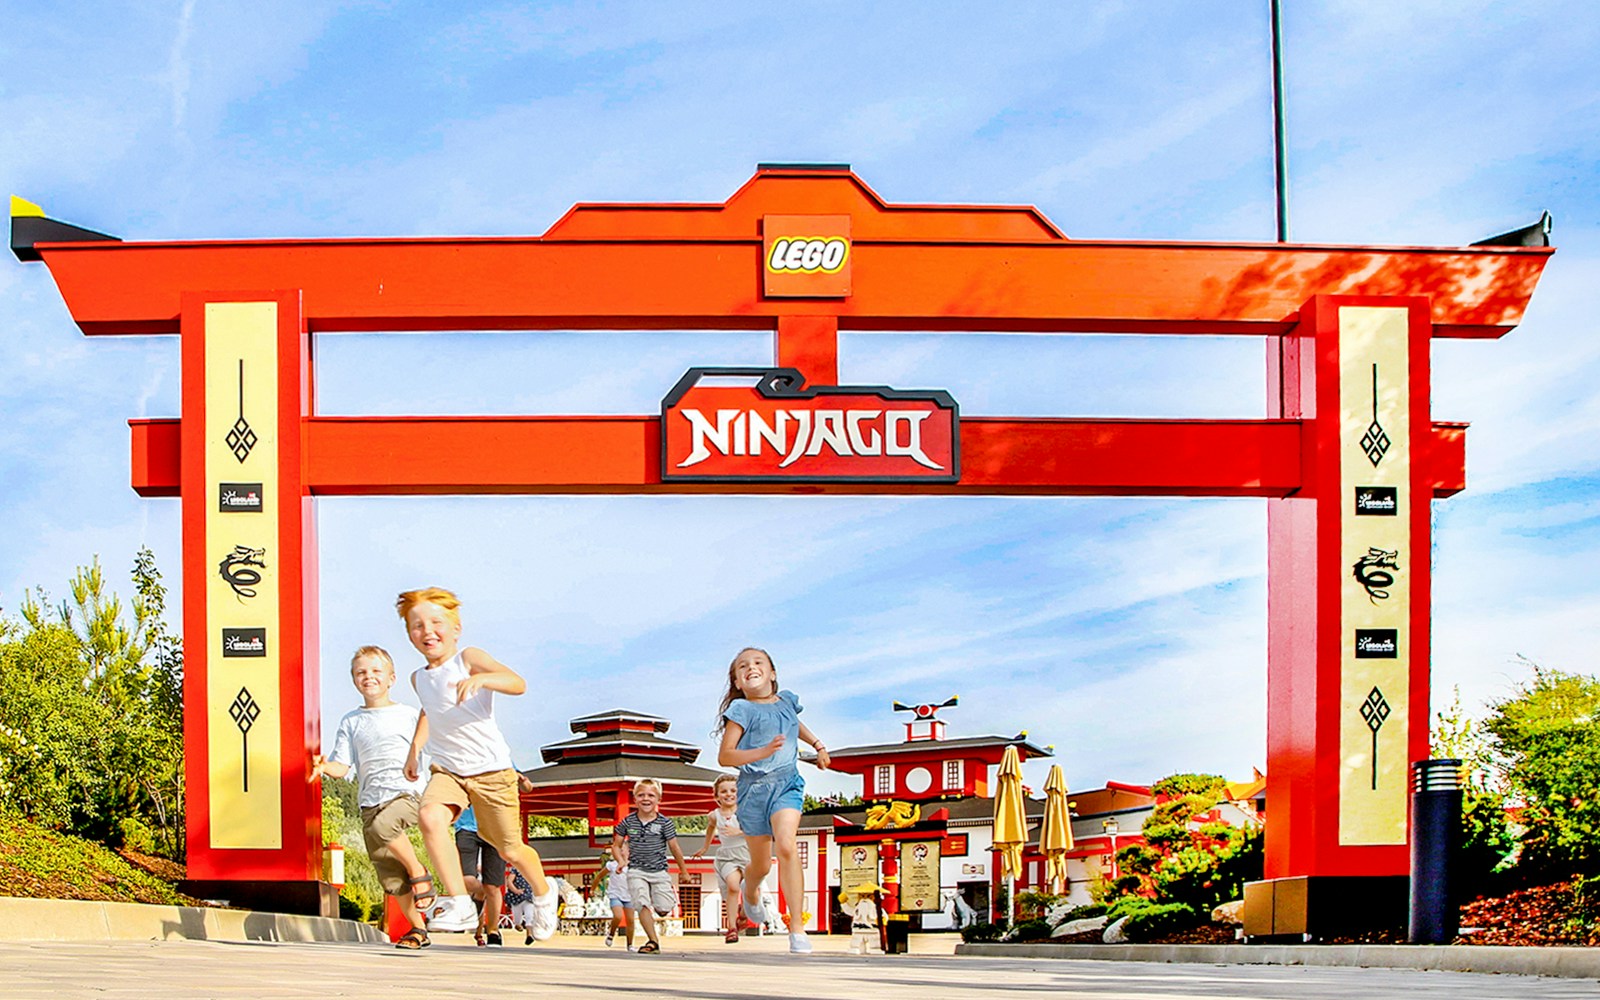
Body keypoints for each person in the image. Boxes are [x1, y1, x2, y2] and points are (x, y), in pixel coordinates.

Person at [398, 586, 559, 937]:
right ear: (409, 634)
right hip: (449, 769)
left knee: (510, 848)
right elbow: (430, 711)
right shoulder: (418, 678)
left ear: (456, 628)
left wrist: (484, 678)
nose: (427, 632)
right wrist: (414, 750)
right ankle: (458, 902)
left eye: (436, 622)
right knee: (429, 815)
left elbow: (518, 683)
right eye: (416, 625)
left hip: (491, 771)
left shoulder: (468, 658)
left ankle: (545, 894)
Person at [309, 645, 434, 950]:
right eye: (361, 672)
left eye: (376, 671)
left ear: (392, 678)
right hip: (370, 801)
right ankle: (417, 931)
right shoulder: (351, 722)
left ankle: (419, 871)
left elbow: (433, 725)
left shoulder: (408, 714)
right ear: (354, 679)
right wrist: (324, 767)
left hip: (408, 792)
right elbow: (342, 767)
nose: (369, 677)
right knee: (390, 877)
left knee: (385, 827)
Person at [715, 646, 830, 955]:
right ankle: (750, 893)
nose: (750, 667)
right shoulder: (741, 710)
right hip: (753, 790)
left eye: (757, 662)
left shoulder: (788, 701)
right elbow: (726, 756)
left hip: (786, 784)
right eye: (742, 666)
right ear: (738, 682)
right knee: (761, 866)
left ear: (772, 673)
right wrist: (762, 752)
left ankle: (797, 930)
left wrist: (818, 745)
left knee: (787, 844)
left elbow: (795, 724)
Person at [613, 778, 690, 954]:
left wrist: (683, 870)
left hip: (659, 871)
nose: (646, 799)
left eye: (651, 795)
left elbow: (674, 847)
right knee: (641, 903)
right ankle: (653, 941)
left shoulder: (665, 823)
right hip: (636, 870)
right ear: (635, 799)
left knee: (663, 907)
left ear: (659, 799)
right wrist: (621, 861)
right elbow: (616, 845)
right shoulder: (627, 822)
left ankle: (661, 906)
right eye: (641, 795)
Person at [691, 773, 749, 943]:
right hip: (727, 855)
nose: (729, 794)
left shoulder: (746, 810)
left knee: (751, 889)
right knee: (732, 886)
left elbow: (758, 829)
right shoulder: (714, 815)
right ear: (716, 796)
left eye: (733, 790)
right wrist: (705, 847)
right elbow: (710, 829)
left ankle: (744, 913)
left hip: (747, 853)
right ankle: (731, 928)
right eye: (724, 791)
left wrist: (739, 832)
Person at [454, 805, 505, 946]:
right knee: (466, 879)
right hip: (466, 827)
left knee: (493, 886)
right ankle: (482, 891)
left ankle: (493, 931)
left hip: (495, 829)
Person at [600, 848, 635, 950]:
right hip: (615, 894)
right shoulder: (612, 865)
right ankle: (611, 934)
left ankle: (630, 944)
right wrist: (593, 889)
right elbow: (599, 876)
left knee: (631, 921)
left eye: (623, 850)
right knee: (618, 916)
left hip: (629, 896)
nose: (622, 852)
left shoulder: (633, 866)